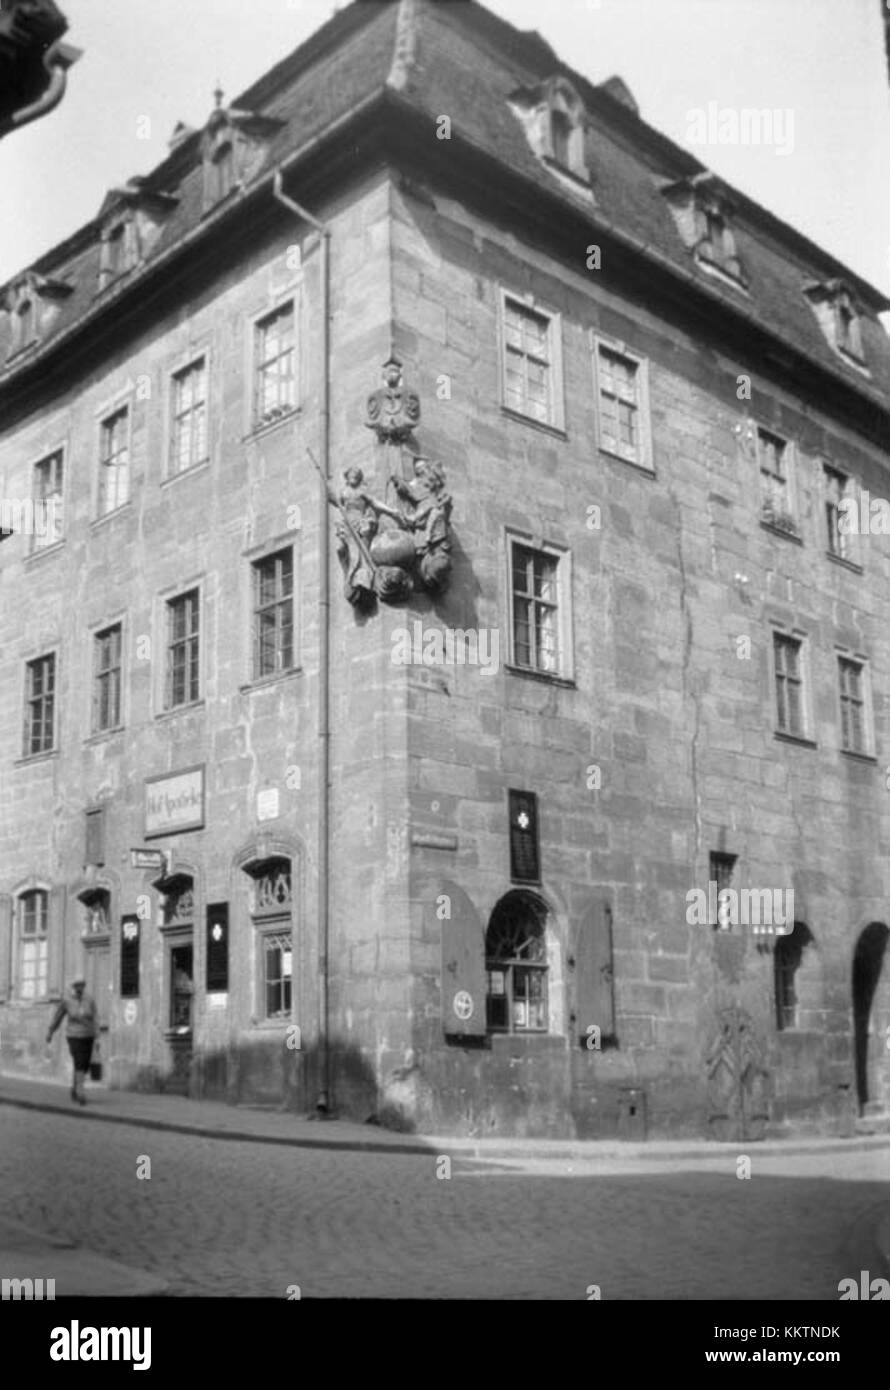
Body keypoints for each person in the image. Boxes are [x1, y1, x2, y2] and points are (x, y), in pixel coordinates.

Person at [46, 974, 97, 1105]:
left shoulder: (90, 999)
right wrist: (51, 1031)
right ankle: (80, 1091)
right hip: (74, 1036)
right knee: (79, 1060)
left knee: (84, 1065)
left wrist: (97, 1036)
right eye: (78, 985)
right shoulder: (67, 1000)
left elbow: (95, 1018)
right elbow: (58, 1017)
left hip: (88, 1036)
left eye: (82, 985)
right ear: (74, 987)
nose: (80, 987)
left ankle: (74, 1088)